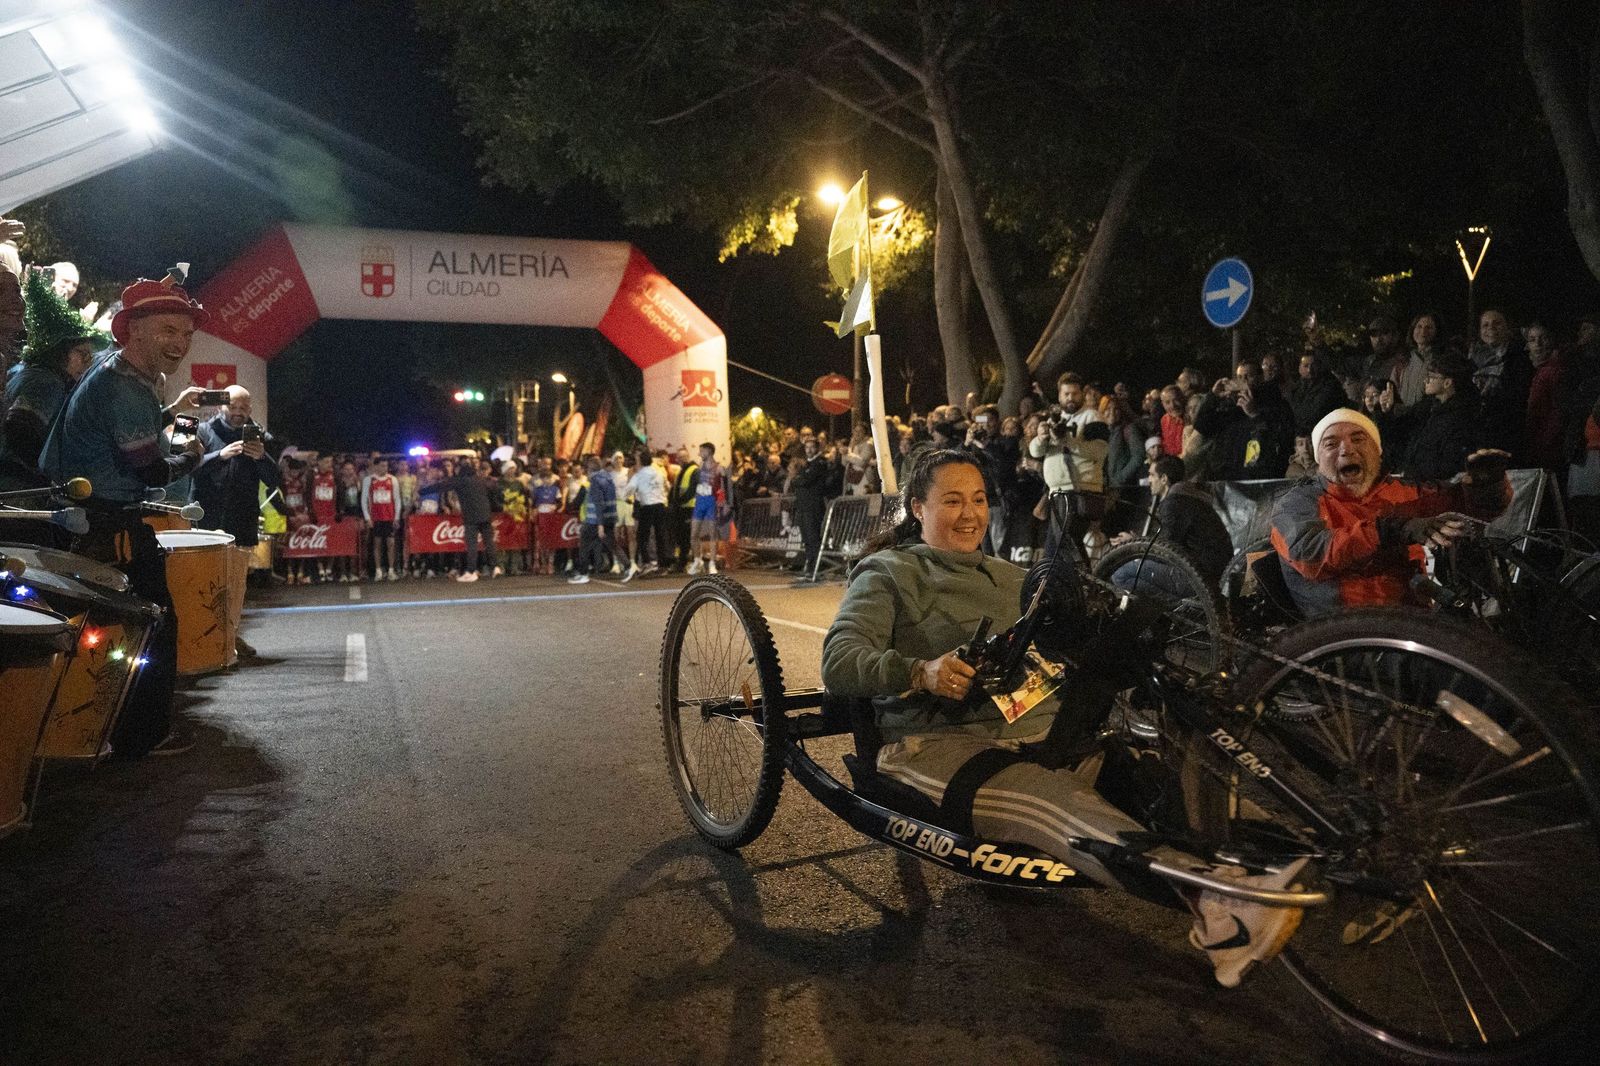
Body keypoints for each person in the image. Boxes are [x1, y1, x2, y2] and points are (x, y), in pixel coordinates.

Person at [820, 447, 1312, 988]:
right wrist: (921, 671)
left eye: (979, 500)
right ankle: (1218, 910)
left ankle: (1312, 854)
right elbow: (839, 660)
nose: (970, 514)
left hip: (1044, 735)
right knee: (1052, 798)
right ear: (917, 508)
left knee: (1161, 782)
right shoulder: (889, 572)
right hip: (935, 746)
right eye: (952, 501)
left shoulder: (1013, 577)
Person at [38, 276, 212, 757]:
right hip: (109, 525)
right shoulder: (126, 390)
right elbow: (152, 470)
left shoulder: (114, 371)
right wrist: (191, 456)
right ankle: (141, 737)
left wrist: (171, 413)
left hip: (88, 518)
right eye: (168, 330)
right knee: (152, 624)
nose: (180, 343)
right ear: (133, 329)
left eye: (186, 333)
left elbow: (121, 435)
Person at [1270, 408, 1510, 619]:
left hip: (1412, 624)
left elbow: (1467, 506)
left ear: (1377, 450)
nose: (1346, 450)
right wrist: (1390, 530)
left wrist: (1487, 485)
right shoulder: (1296, 503)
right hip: (1346, 634)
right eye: (1331, 444)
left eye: (1358, 439)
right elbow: (1310, 554)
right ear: (1318, 460)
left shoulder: (1403, 492)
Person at [0, 269, 108, 490]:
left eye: (17, 291)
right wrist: (50, 477)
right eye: (82, 354)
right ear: (59, 352)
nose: (88, 362)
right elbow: (20, 432)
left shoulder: (31, 373)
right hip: (17, 491)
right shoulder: (48, 383)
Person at [1109, 454, 1233, 595]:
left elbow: (1165, 550)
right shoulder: (1190, 496)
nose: (1149, 480)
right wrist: (1138, 541)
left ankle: (1172, 605)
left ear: (1164, 479)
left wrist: (1134, 544)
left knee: (1120, 573)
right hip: (1210, 572)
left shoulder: (1174, 502)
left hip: (1197, 577)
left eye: (1152, 475)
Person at [1398, 352, 1483, 482]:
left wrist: (1415, 473)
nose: (1425, 381)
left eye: (1431, 377)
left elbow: (1449, 466)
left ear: (1447, 382)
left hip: (1435, 488)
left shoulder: (1460, 418)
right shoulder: (1431, 409)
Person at [422, 459, 501, 582]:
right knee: (489, 542)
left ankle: (471, 571)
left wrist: (422, 491)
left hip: (471, 516)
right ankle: (495, 567)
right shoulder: (482, 480)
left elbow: (441, 486)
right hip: (485, 514)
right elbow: (495, 490)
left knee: (472, 544)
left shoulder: (460, 481)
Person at [789, 436, 834, 581]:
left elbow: (806, 480)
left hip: (813, 506)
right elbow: (795, 481)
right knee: (806, 538)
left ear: (817, 448)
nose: (809, 450)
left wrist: (798, 479)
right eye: (807, 447)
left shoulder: (819, 463)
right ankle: (809, 568)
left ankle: (815, 569)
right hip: (802, 506)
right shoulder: (805, 464)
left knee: (813, 537)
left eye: (812, 447)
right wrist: (798, 480)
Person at [568, 454, 616, 584]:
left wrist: (600, 524)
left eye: (587, 469)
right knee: (603, 544)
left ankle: (584, 573)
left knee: (584, 546)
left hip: (592, 519)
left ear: (590, 470)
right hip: (604, 518)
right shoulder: (606, 480)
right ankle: (625, 566)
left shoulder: (591, 483)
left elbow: (597, 504)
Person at [621, 448, 668, 579]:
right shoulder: (658, 472)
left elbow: (629, 490)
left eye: (637, 459)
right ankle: (662, 565)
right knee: (660, 535)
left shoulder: (639, 475)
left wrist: (625, 498)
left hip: (647, 506)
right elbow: (666, 487)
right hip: (660, 505)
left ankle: (648, 563)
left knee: (642, 537)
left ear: (640, 461)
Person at [360, 457, 401, 580]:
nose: (385, 468)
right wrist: (367, 518)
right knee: (377, 544)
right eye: (382, 466)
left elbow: (397, 499)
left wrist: (396, 517)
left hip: (389, 517)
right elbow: (364, 500)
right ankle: (378, 571)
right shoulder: (369, 480)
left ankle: (391, 570)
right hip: (376, 517)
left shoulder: (392, 479)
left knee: (391, 544)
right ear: (376, 466)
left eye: (386, 466)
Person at [667, 446, 699, 572]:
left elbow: (692, 490)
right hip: (681, 508)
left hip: (689, 507)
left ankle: (687, 562)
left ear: (688, 457)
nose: (681, 459)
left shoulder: (694, 470)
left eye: (683, 457)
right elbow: (675, 489)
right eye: (679, 457)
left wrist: (679, 501)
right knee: (681, 536)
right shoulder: (681, 471)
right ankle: (683, 562)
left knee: (687, 536)